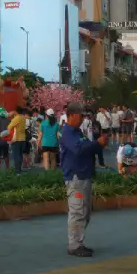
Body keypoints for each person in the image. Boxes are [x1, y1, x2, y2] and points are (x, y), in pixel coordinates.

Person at [60, 101, 109, 257]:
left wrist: (98, 145)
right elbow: (78, 149)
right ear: (71, 115)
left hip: (83, 176)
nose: (82, 119)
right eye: (80, 116)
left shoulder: (77, 132)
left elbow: (86, 148)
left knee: (84, 212)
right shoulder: (68, 132)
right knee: (78, 211)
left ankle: (78, 242)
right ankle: (74, 245)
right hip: (76, 177)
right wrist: (97, 143)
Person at [7, 106, 27, 173]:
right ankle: (19, 169)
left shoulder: (16, 118)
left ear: (16, 111)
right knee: (20, 155)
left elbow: (9, 127)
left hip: (16, 139)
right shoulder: (23, 117)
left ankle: (17, 171)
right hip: (23, 138)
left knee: (16, 155)